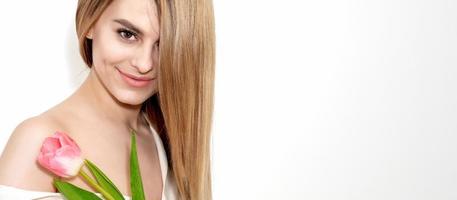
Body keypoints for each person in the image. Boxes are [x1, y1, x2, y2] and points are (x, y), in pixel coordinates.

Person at [0, 0, 215, 199]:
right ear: (90, 23)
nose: (145, 64)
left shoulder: (167, 141)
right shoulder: (37, 142)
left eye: (165, 45)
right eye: (127, 34)